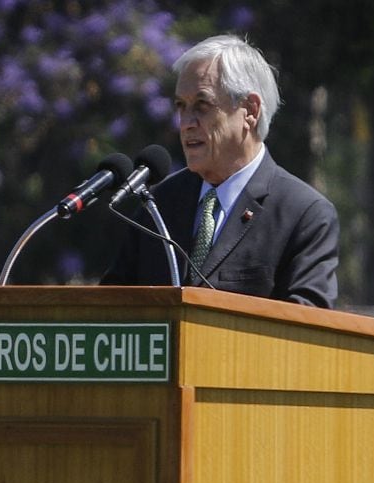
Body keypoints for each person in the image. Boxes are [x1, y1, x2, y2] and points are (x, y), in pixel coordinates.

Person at [102, 35, 339, 308]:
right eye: (181, 106)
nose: (186, 123)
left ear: (250, 110)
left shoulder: (304, 214)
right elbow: (109, 313)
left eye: (202, 106)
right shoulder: (158, 205)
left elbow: (306, 331)